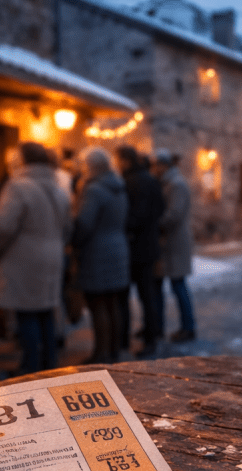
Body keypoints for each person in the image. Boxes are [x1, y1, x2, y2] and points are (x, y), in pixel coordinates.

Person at [0, 142, 71, 374]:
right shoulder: (57, 186)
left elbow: (3, 225)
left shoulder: (18, 186)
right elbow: (68, 225)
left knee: (27, 312)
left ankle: (31, 365)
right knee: (45, 310)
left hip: (24, 257)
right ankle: (49, 362)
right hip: (52, 254)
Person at [72, 148, 129, 364]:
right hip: (118, 248)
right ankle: (114, 349)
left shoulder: (94, 189)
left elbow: (84, 223)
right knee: (113, 302)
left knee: (98, 304)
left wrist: (74, 238)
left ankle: (102, 353)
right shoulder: (118, 186)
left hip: (97, 251)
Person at [116, 145, 164, 357]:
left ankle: (129, 340)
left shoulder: (131, 181)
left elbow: (138, 215)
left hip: (135, 246)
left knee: (129, 296)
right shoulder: (150, 179)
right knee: (148, 296)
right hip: (149, 246)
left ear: (125, 160)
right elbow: (160, 207)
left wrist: (125, 226)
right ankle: (150, 337)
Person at [152, 149, 196, 343]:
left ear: (164, 165)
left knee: (178, 285)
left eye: (156, 165)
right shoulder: (169, 183)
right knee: (167, 285)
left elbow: (174, 215)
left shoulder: (176, 184)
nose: (153, 169)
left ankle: (188, 327)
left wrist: (154, 225)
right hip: (169, 243)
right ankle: (157, 326)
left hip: (175, 243)